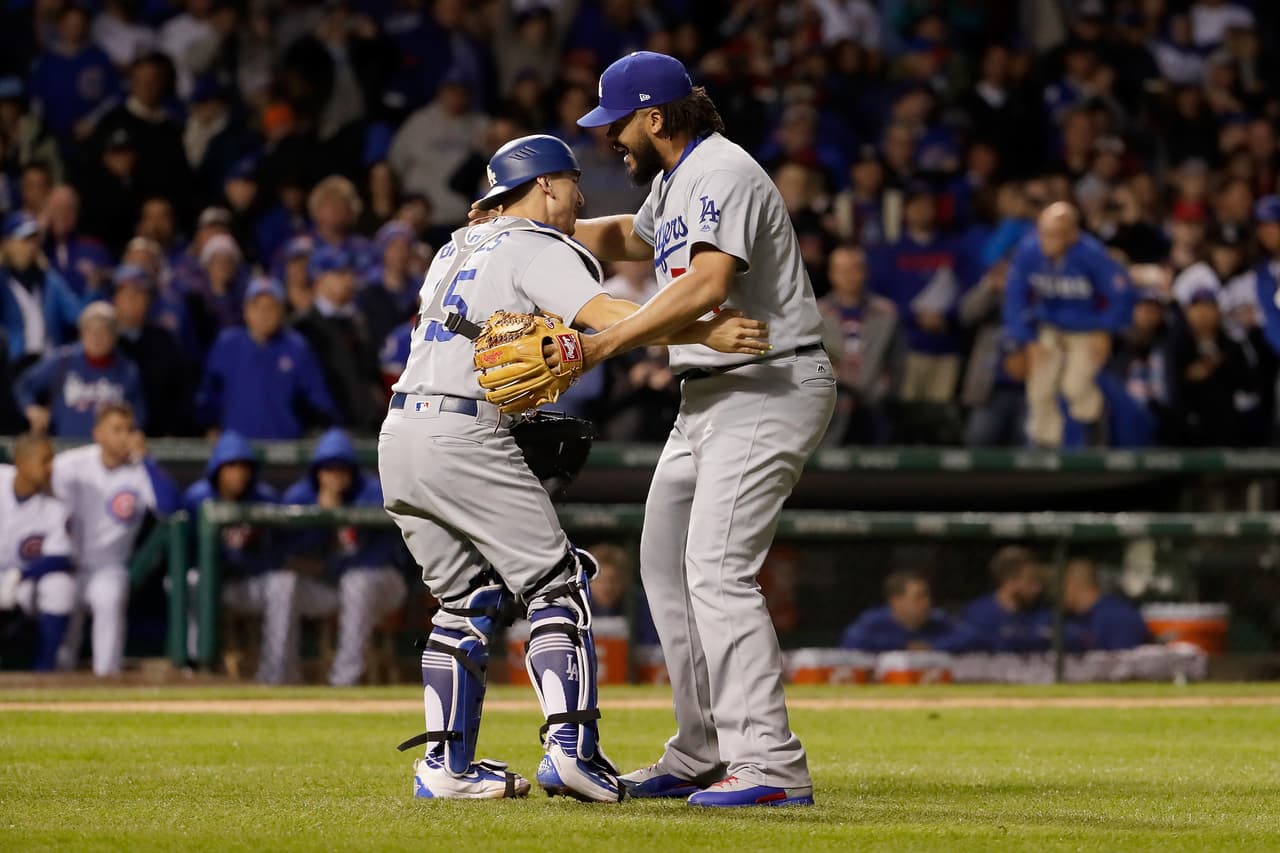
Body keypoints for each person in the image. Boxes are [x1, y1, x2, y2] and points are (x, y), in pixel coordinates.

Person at [380, 133, 766, 801]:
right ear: (545, 185)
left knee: (465, 601)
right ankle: (571, 752)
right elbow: (607, 316)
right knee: (558, 584)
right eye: (572, 182)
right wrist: (702, 330)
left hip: (399, 436)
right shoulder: (538, 244)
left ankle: (445, 767)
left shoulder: (455, 246)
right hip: (464, 432)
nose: (580, 196)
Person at [567, 52, 834, 807]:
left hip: (768, 383)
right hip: (711, 395)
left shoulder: (721, 169)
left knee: (718, 571)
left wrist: (603, 344)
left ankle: (770, 763)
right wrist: (538, 226)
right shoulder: (679, 178)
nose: (610, 137)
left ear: (655, 117)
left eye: (617, 123)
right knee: (664, 565)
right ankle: (703, 748)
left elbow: (709, 284)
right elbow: (630, 234)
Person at [184, 431, 335, 685]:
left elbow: (283, 548)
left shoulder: (265, 498)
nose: (239, 473)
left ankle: (275, 674)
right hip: (211, 583)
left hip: (248, 585)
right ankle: (194, 665)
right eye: (232, 466)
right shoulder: (196, 498)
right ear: (217, 469)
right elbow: (185, 550)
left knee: (284, 582)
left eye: (244, 466)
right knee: (192, 579)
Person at [52, 402, 179, 675]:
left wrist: (147, 460)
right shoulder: (71, 464)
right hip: (68, 564)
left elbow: (169, 507)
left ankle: (106, 677)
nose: (124, 436)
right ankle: (58, 678)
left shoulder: (140, 471)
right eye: (116, 429)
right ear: (98, 433)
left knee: (109, 598)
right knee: (64, 628)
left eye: (128, 429)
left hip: (109, 567)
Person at [1003, 202, 1133, 448]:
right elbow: (1015, 297)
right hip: (1048, 325)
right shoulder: (1029, 252)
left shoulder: (1091, 254)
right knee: (1039, 387)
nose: (1047, 241)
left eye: (1055, 235)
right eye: (1044, 233)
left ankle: (1094, 432)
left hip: (1086, 328)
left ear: (1073, 234)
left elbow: (1121, 294)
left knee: (1075, 386)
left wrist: (1106, 329)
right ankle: (1045, 444)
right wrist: (1023, 338)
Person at [283, 429, 406, 687]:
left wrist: (329, 566)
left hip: (383, 584)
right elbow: (294, 554)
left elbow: (380, 556)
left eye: (341, 468)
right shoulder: (302, 496)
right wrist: (323, 520)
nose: (335, 475)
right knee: (284, 586)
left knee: (356, 581)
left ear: (352, 470)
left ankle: (344, 679)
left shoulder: (373, 492)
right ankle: (281, 675)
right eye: (328, 469)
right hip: (333, 587)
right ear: (317, 472)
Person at [196, 276, 340, 440]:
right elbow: (209, 396)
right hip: (237, 448)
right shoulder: (227, 345)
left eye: (271, 307)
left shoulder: (297, 348)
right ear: (246, 311)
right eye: (257, 306)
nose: (263, 314)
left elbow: (319, 401)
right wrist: (211, 427)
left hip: (285, 448)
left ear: (282, 312)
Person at [0, 434, 75, 671]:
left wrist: (17, 577)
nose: (51, 468)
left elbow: (60, 557)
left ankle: (43, 672)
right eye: (44, 461)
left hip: (23, 581)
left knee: (60, 586)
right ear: (21, 462)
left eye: (51, 460)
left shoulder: (56, 506)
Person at [15, 302, 146, 438]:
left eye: (104, 331)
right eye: (91, 331)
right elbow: (24, 385)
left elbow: (138, 416)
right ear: (82, 333)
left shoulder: (127, 370)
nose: (96, 338)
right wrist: (31, 408)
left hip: (108, 449)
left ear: (114, 336)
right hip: (64, 446)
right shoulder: (62, 360)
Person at [817, 244, 901, 445]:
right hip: (831, 404)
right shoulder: (815, 313)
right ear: (831, 274)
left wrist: (886, 390)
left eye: (854, 269)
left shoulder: (886, 313)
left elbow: (897, 361)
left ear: (865, 272)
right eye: (842, 270)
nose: (848, 276)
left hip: (875, 403)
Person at [111, 264, 192, 437]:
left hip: (157, 437)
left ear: (149, 301)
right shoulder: (104, 340)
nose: (133, 301)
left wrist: (173, 432)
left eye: (140, 295)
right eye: (127, 294)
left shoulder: (164, 341)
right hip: (111, 436)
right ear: (115, 299)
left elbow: (180, 393)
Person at [1, 211, 82, 365]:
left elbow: (77, 316)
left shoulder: (50, 280)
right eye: (24, 240)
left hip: (50, 364)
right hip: (12, 364)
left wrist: (95, 291)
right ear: (7, 243)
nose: (31, 246)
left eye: (34, 240)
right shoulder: (2, 281)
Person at [840, 570, 975, 653]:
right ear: (896, 601)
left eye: (927, 596)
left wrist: (933, 647)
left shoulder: (937, 619)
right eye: (919, 597)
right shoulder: (874, 622)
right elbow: (850, 644)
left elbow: (973, 637)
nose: (927, 603)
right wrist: (904, 646)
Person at [961, 546, 1053, 654]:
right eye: (1031, 581)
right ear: (1010, 580)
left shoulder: (1044, 615)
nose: (1038, 588)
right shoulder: (978, 614)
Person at [1061, 558, 1150, 652]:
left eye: (1059, 586)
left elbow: (1125, 659)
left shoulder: (1119, 616)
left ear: (1073, 584)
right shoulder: (1071, 617)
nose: (1056, 593)